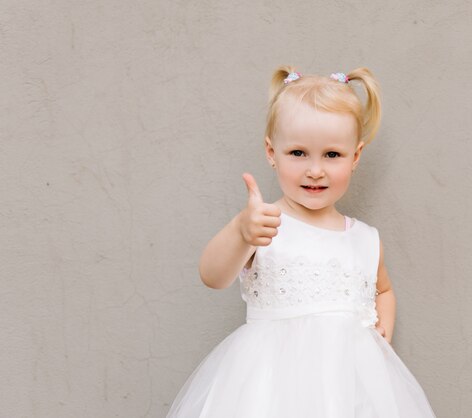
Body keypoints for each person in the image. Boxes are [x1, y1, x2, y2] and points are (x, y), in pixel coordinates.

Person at [166, 66, 437, 417]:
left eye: (332, 155)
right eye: (298, 153)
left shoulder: (365, 239)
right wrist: (239, 231)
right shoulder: (264, 224)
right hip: (271, 386)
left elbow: (383, 289)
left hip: (348, 390)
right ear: (271, 152)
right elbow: (212, 276)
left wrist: (383, 324)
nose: (315, 169)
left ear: (355, 157)